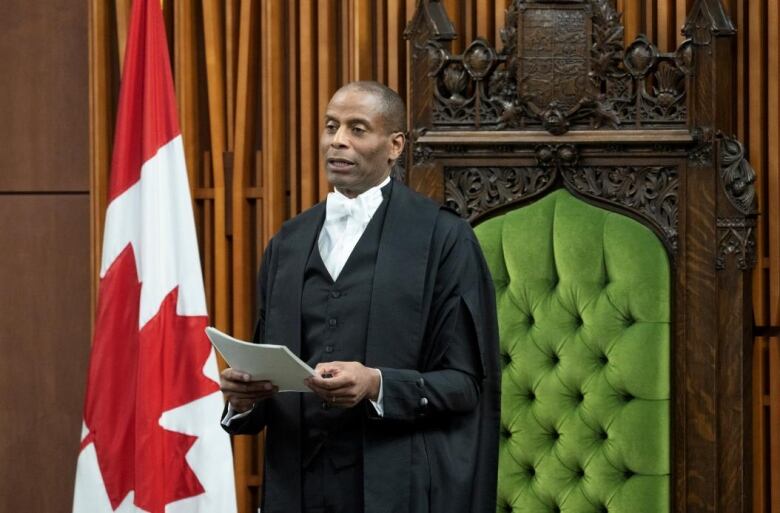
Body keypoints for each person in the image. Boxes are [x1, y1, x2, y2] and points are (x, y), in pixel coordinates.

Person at [219, 81, 499, 513]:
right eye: (331, 126)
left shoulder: (443, 238)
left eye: (357, 129)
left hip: (397, 489)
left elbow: (465, 386)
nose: (338, 141)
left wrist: (377, 384)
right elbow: (268, 382)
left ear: (395, 145)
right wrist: (242, 399)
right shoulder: (287, 243)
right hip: (295, 486)